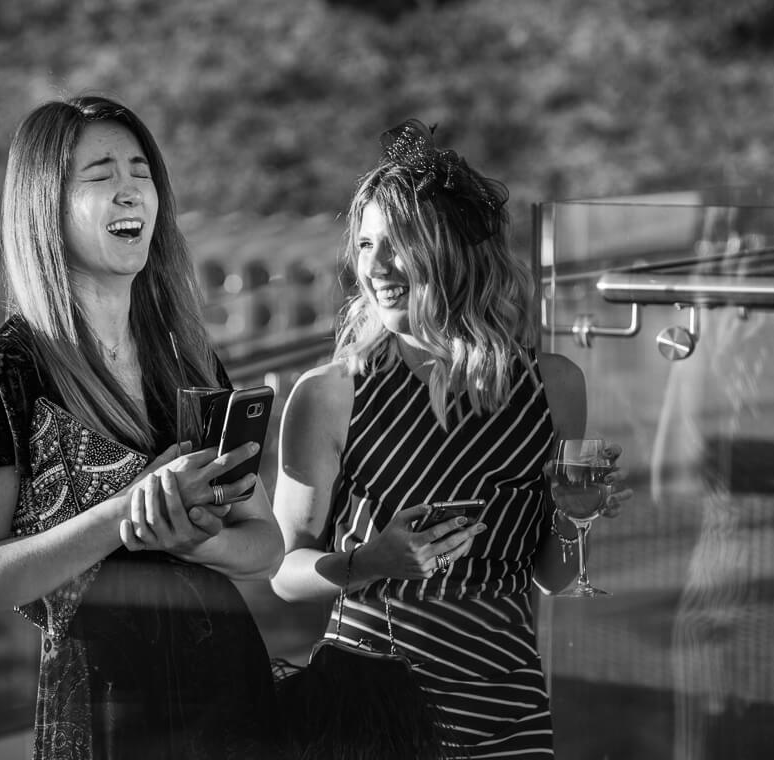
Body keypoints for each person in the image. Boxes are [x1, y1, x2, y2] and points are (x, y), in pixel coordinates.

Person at [0, 95, 285, 759]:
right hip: (104, 705)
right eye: (99, 176)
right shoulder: (10, 366)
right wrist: (128, 509)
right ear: (47, 205)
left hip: (228, 692)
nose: (129, 191)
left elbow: (264, 545)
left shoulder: (187, 352)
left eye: (140, 172)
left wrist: (186, 538)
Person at [270, 118, 629, 758]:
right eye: (365, 244)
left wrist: (581, 517)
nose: (374, 266)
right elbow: (283, 571)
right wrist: (372, 562)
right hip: (369, 713)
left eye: (398, 243)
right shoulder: (329, 395)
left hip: (507, 706)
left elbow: (553, 575)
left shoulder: (554, 387)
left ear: (454, 249)